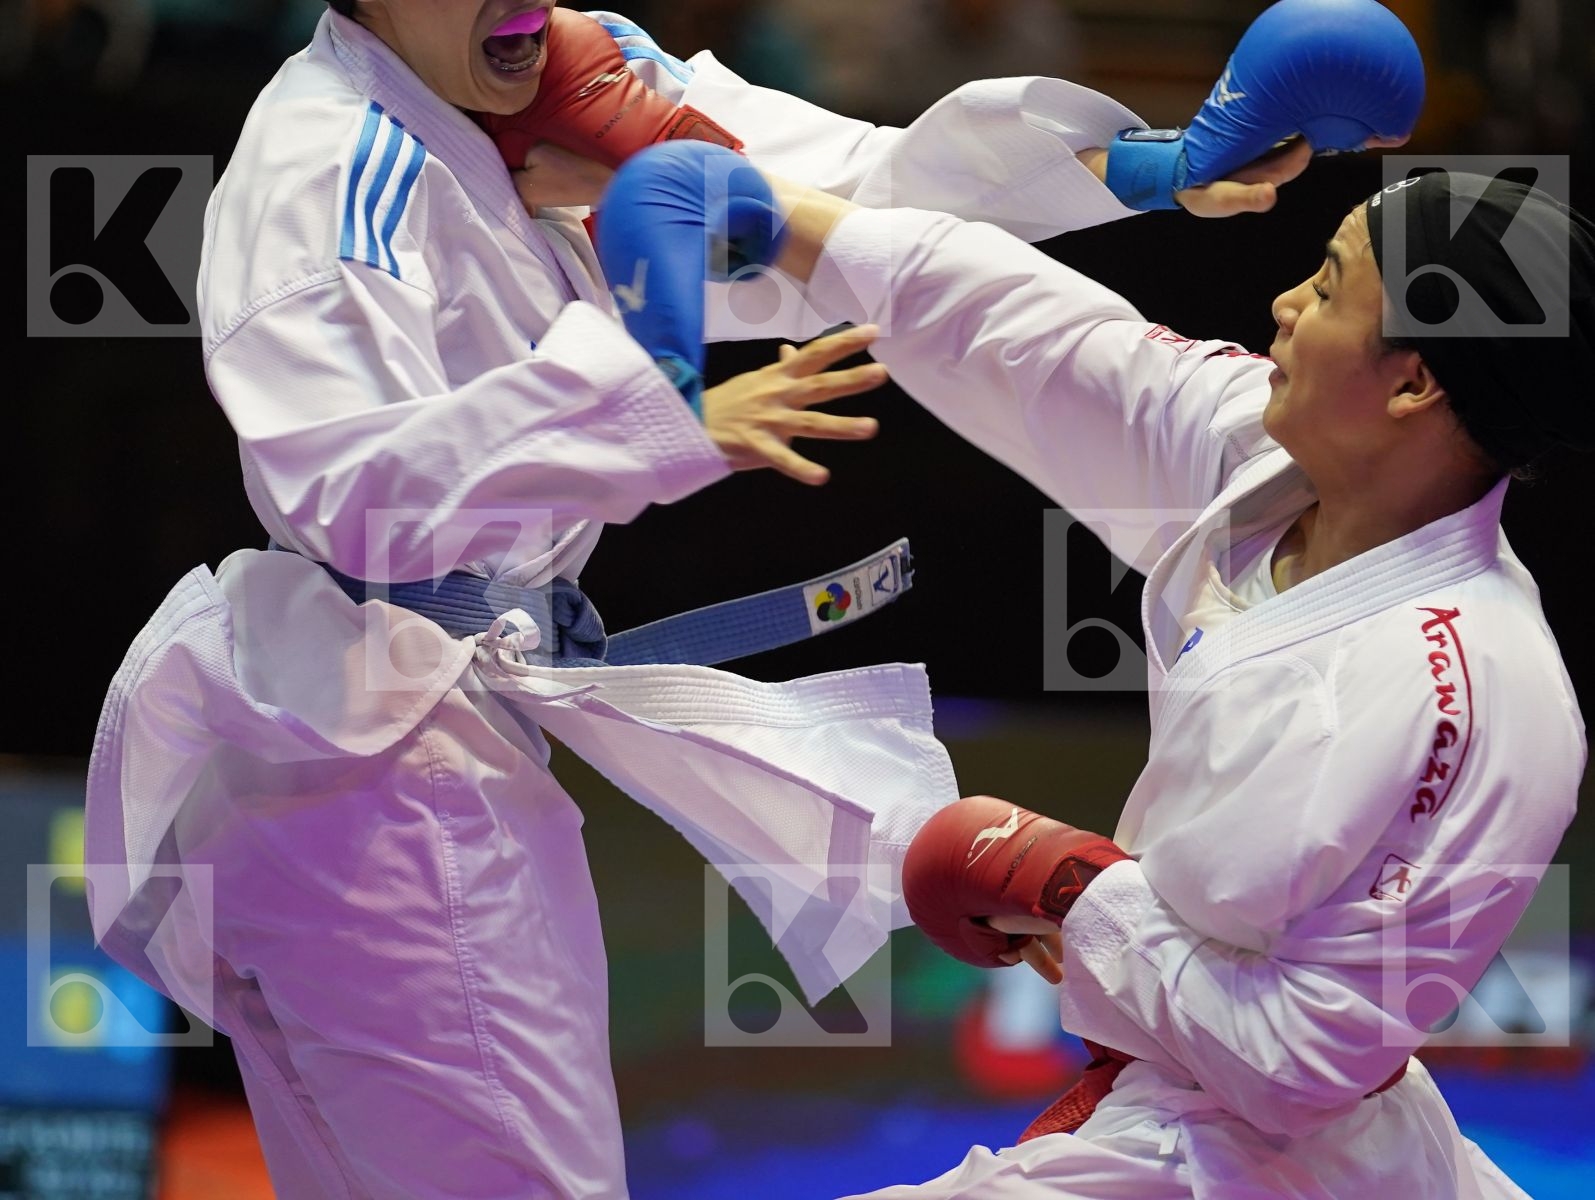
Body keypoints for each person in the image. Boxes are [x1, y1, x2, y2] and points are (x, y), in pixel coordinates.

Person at [80, 2, 1313, 1197]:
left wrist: (1136, 170)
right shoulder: (324, 171)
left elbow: (837, 192)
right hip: (361, 755)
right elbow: (352, 488)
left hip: (418, 720)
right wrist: (653, 415)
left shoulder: (576, 58)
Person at [640, 109, 1589, 1200]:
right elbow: (1032, 332)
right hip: (1166, 1104)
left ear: (1412, 383)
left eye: (1325, 290)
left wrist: (1073, 889)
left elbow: (1300, 1062)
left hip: (1272, 1162)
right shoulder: (1262, 457)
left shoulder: (1480, 701)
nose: (1281, 307)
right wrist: (755, 208)